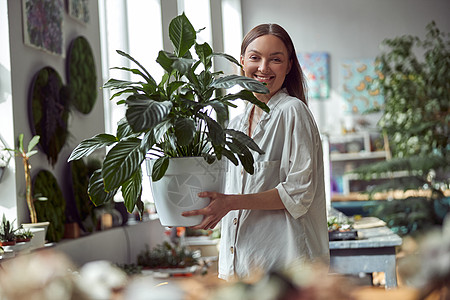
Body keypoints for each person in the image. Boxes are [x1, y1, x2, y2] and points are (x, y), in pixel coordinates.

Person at [182, 23, 330, 280]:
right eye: (255, 57)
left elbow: (299, 193)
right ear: (242, 62)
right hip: (240, 264)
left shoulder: (292, 111)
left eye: (275, 59)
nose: (263, 68)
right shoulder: (236, 123)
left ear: (289, 65)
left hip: (285, 266)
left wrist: (230, 203)